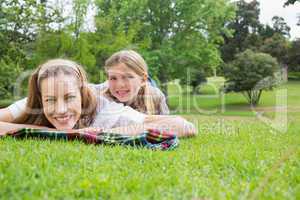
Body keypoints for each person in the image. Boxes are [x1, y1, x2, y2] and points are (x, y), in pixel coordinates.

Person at [0, 59, 195, 137]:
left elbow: (183, 126)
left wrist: (100, 134)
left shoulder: (105, 109)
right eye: (50, 100)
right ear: (41, 98)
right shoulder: (31, 104)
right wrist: (73, 134)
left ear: (82, 94)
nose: (60, 109)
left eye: (69, 98)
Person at [0, 50, 168, 123]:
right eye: (113, 78)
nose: (120, 85)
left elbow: (165, 124)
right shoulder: (98, 94)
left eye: (128, 77)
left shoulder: (155, 96)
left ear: (143, 79)